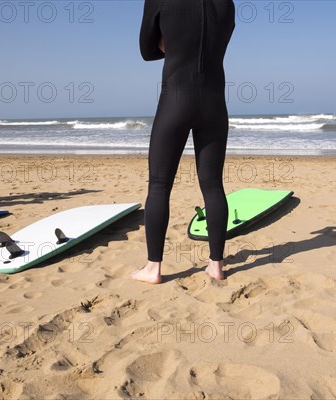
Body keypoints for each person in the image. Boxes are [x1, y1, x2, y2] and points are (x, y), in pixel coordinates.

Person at [131, 0, 236, 284]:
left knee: (159, 185)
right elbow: (216, 44)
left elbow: (146, 51)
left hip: (176, 101)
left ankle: (154, 268)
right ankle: (216, 266)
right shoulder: (226, 4)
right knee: (213, 184)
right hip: (214, 103)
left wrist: (172, 46)